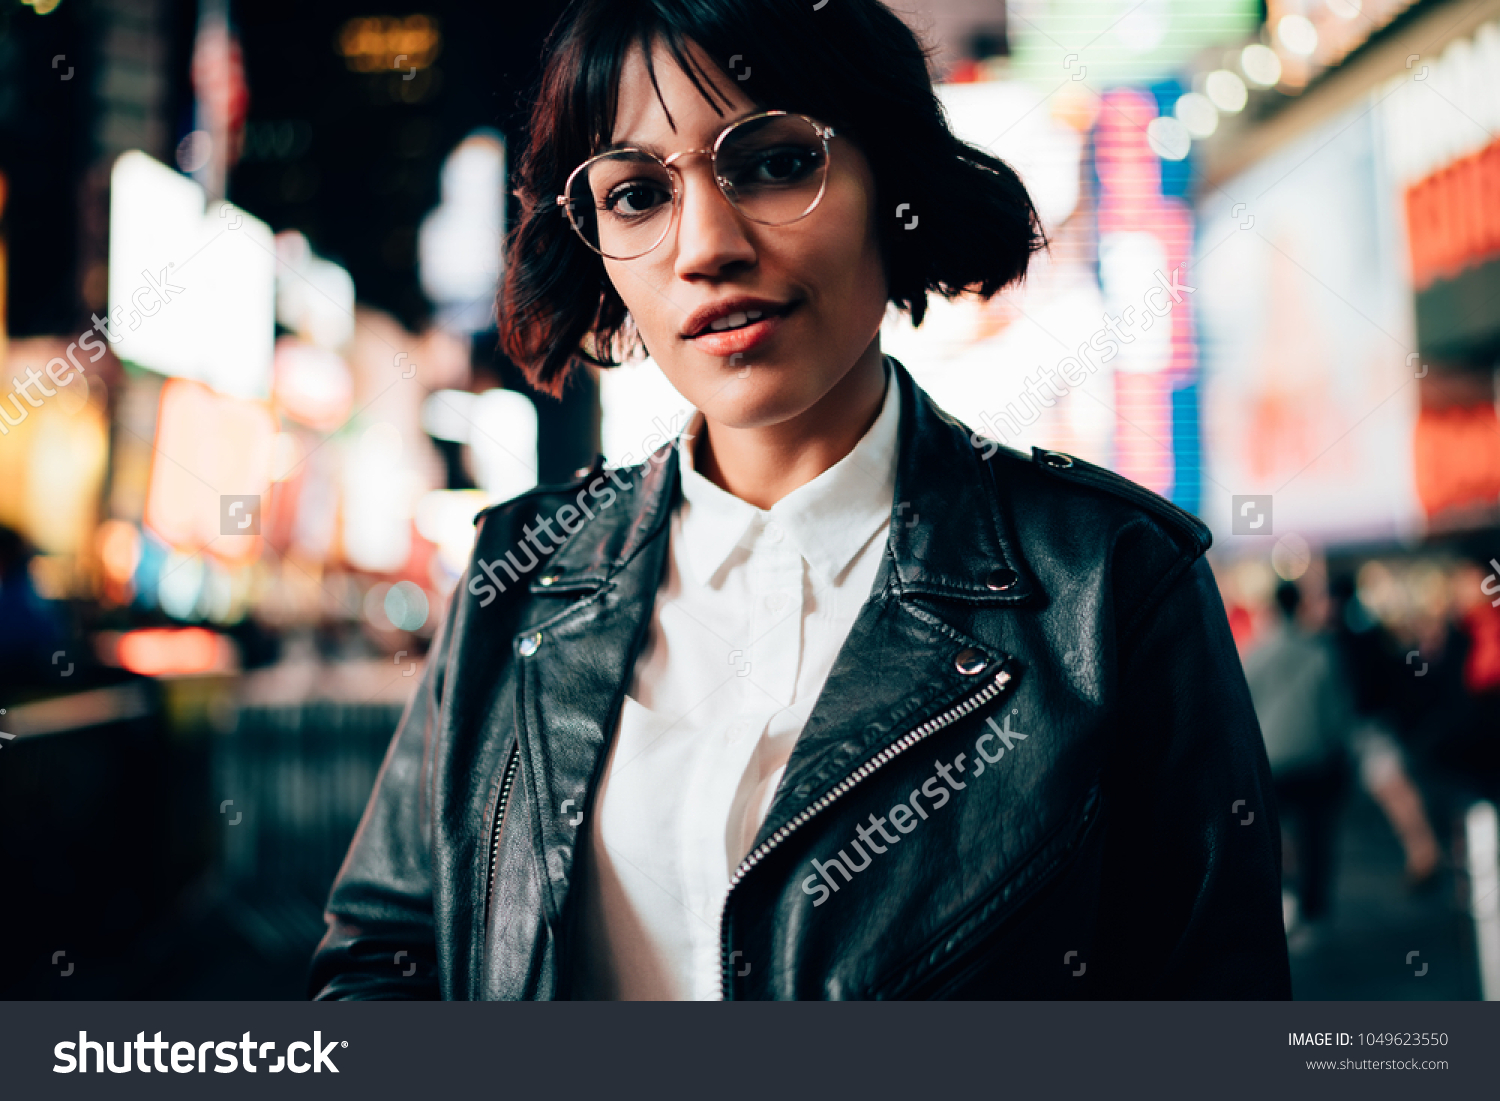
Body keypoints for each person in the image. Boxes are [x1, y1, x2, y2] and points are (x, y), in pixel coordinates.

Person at [310, 0, 1288, 1000]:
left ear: (891, 179)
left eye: (775, 161)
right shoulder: (520, 578)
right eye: (639, 194)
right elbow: (383, 959)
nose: (706, 248)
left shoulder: (1110, 580)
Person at [1243, 581, 1353, 933]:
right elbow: (1336, 713)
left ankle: (1275, 904)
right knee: (1315, 839)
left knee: (1269, 839)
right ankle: (1314, 910)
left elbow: (1241, 709)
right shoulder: (1319, 652)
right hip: (1313, 760)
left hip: (1271, 761)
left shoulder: (1252, 654)